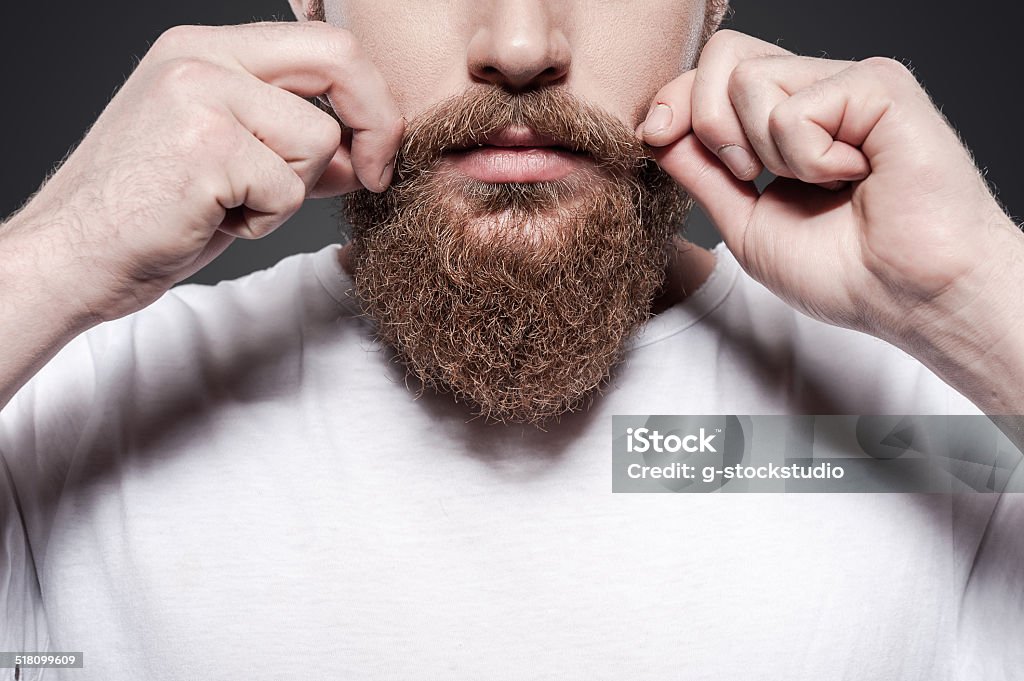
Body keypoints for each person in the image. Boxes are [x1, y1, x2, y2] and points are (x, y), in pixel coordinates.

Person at [1, 0, 1022, 678]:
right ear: (314, 0)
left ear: (709, 4)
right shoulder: (56, 407)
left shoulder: (952, 433)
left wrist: (976, 297)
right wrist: (52, 257)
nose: (523, 44)